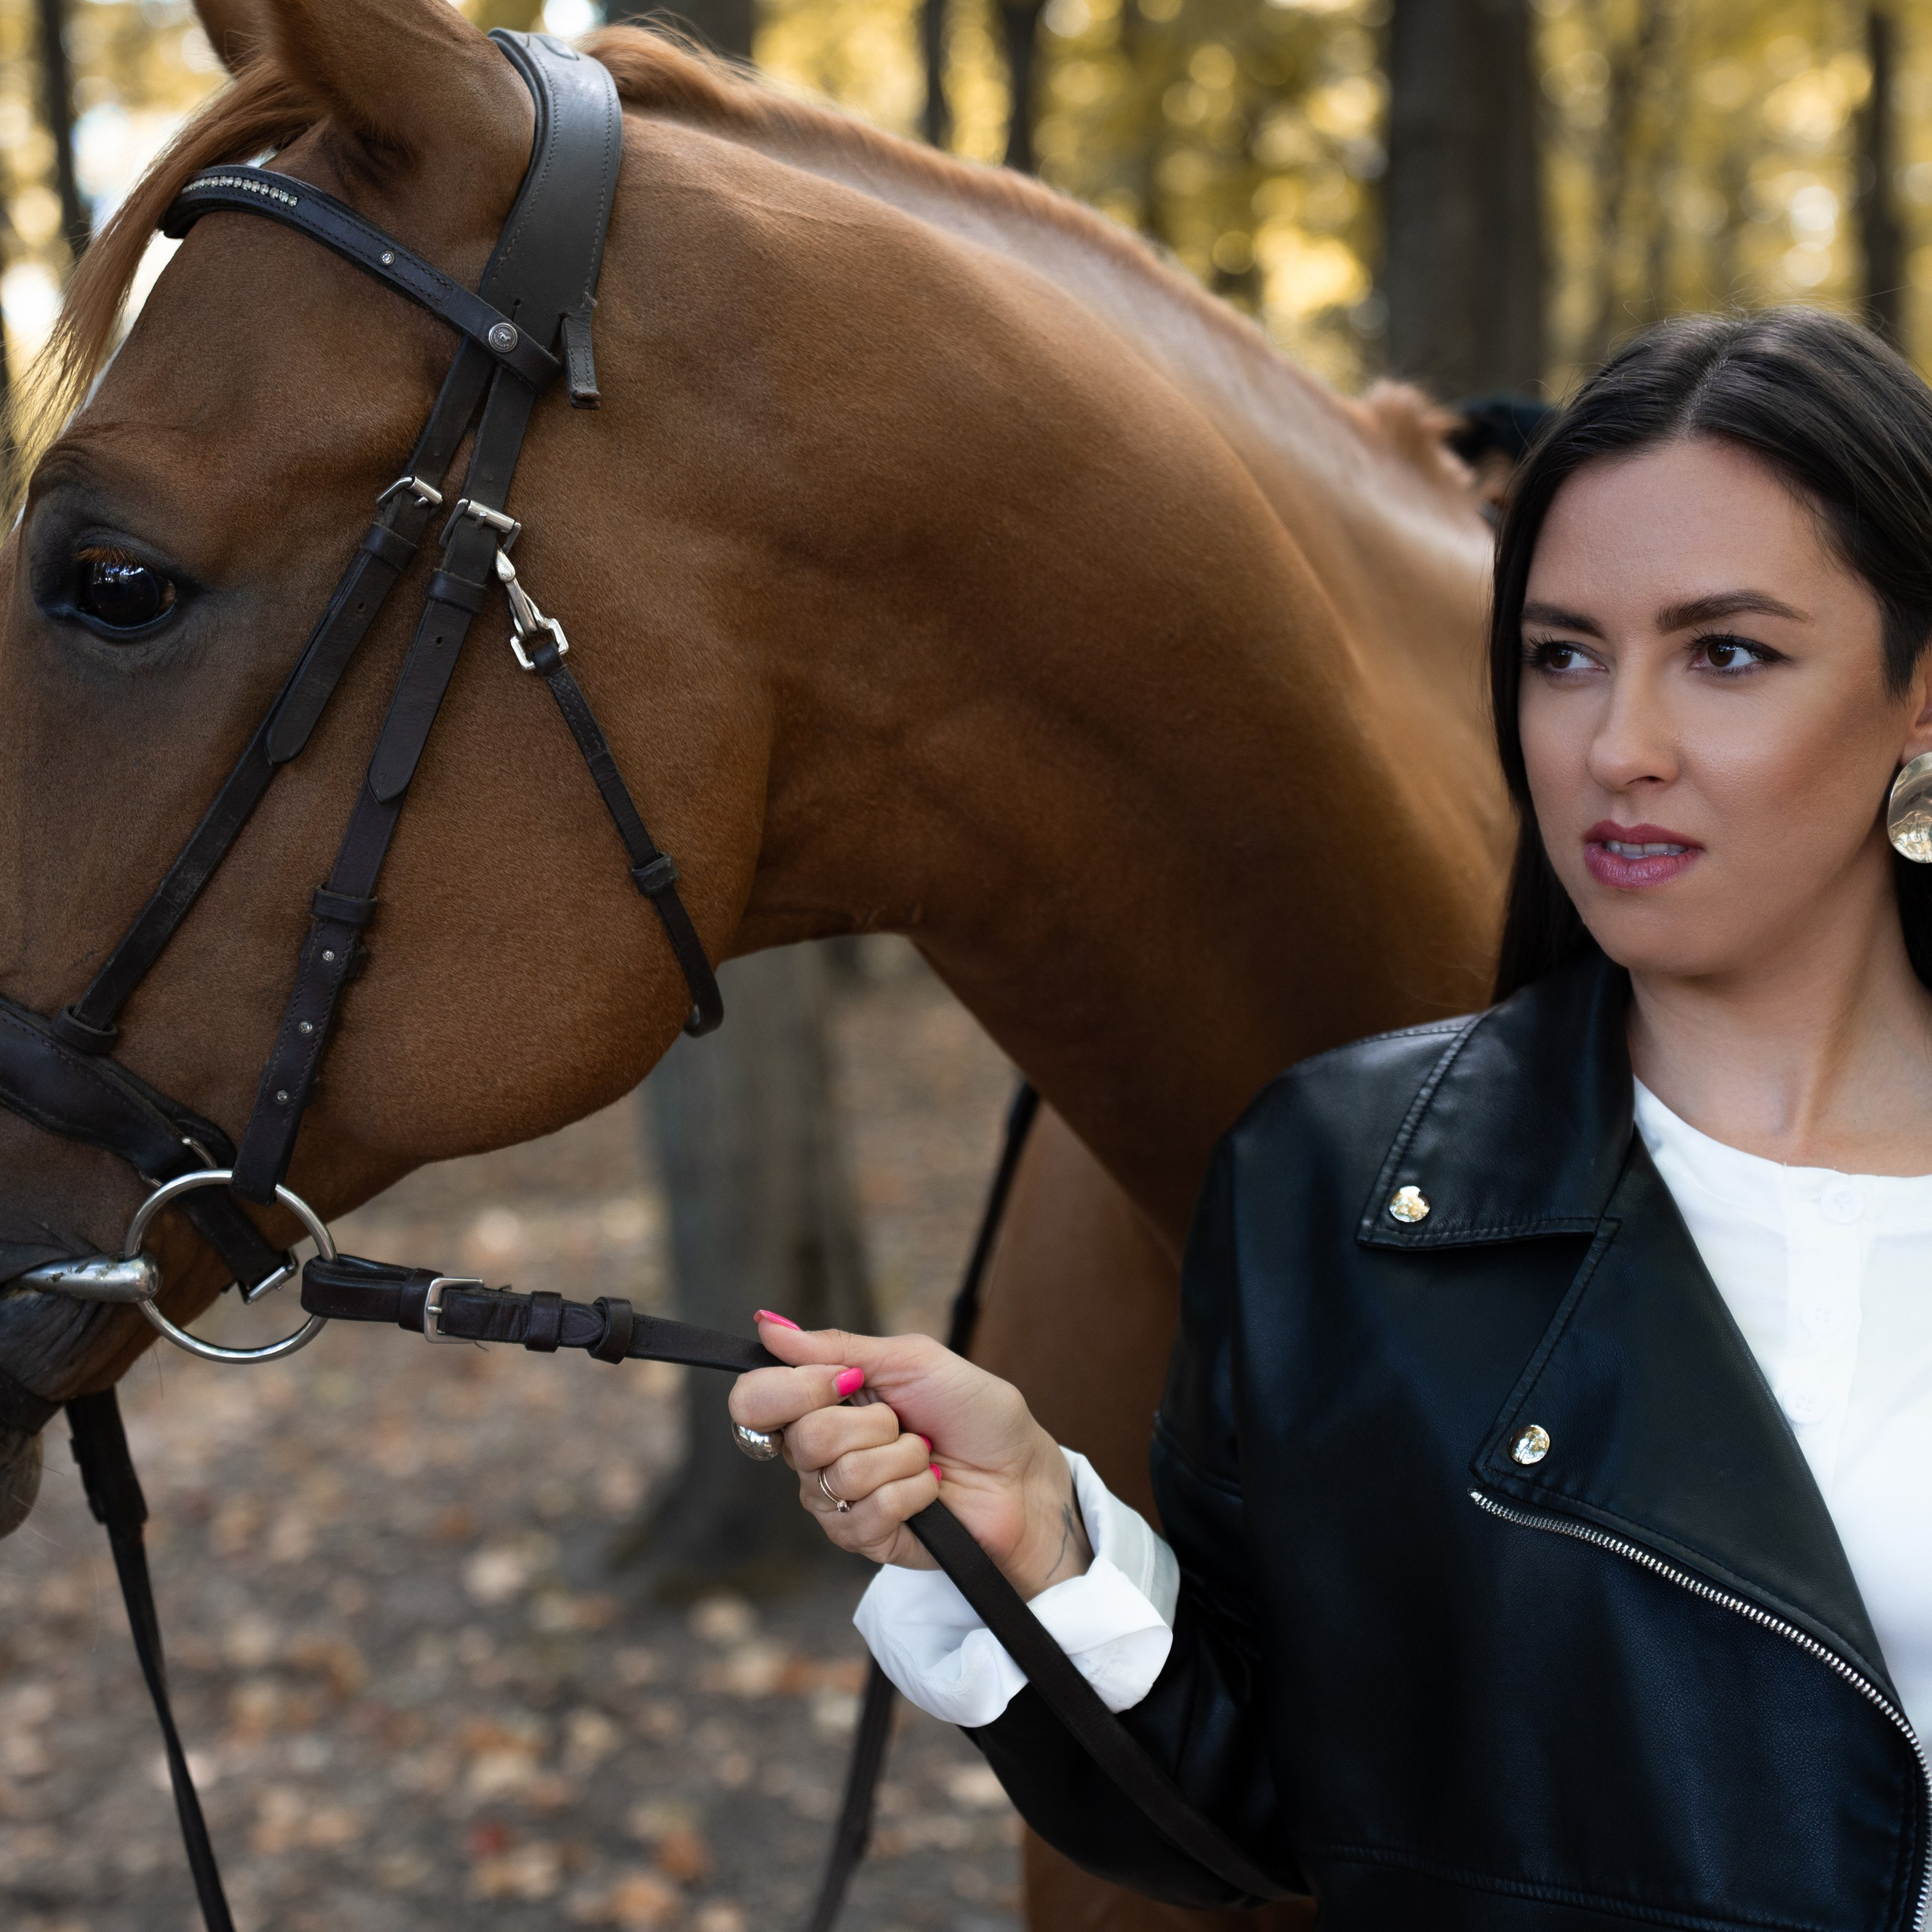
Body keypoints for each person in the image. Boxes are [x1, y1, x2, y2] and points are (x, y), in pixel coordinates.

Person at [730, 307, 1932, 1925]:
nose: (1614, 747)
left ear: (1916, 694)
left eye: (1723, 652)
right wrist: (1049, 1554)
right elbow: (1287, 1814)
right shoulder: (1334, 1180)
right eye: (1561, 653)